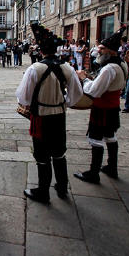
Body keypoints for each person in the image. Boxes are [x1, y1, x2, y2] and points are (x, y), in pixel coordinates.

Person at [16, 23, 83, 203]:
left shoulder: (35, 69)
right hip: (59, 116)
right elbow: (76, 95)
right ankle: (62, 188)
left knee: (42, 154)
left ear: (40, 49)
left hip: (40, 117)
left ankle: (43, 192)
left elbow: (23, 98)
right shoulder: (67, 67)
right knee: (59, 152)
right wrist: (62, 102)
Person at [74, 25, 128, 183]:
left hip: (102, 107)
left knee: (96, 138)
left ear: (111, 51)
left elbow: (94, 91)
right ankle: (112, 167)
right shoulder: (122, 64)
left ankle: (93, 173)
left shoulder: (109, 69)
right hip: (113, 106)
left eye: (102, 49)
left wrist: (83, 78)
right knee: (110, 136)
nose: (99, 52)